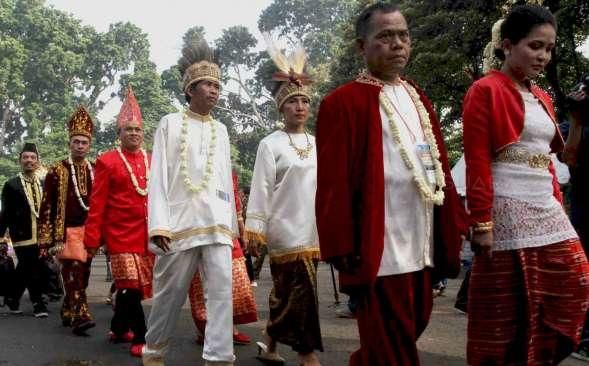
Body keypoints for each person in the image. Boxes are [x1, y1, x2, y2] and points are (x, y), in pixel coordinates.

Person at [315, 3, 467, 365]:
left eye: (403, 35)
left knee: (408, 328)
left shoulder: (418, 97)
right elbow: (332, 183)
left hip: (422, 235)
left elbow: (439, 166)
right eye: (385, 36)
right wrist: (341, 243)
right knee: (391, 347)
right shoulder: (343, 102)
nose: (397, 44)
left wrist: (454, 222)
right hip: (379, 244)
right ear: (361, 46)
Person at [463, 5, 589, 365]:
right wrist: (482, 222)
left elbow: (552, 159)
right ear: (507, 45)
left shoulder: (543, 96)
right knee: (509, 307)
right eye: (535, 46)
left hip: (546, 205)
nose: (543, 56)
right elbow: (476, 160)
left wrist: (556, 200)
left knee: (576, 282)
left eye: (549, 49)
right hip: (507, 206)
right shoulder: (484, 90)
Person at [143, 40, 238, 366]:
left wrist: (233, 227)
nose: (214, 91)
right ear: (190, 89)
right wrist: (158, 224)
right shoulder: (169, 123)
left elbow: (225, 179)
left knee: (221, 294)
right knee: (168, 296)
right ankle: (154, 353)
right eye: (208, 85)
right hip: (178, 226)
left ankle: (219, 357)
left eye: (217, 86)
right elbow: (157, 176)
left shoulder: (222, 131)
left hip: (216, 225)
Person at [245, 37, 322, 366]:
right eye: (293, 102)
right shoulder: (270, 144)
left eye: (304, 101)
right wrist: (256, 229)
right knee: (300, 292)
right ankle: (306, 355)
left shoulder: (318, 143)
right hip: (283, 228)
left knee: (285, 294)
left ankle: (270, 343)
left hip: (312, 229)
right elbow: (260, 187)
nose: (300, 107)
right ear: (282, 107)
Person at [84, 88, 154, 357]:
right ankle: (140, 336)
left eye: (137, 129)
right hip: (119, 235)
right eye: (128, 129)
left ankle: (118, 326)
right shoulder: (107, 161)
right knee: (129, 285)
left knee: (132, 287)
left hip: (146, 235)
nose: (134, 133)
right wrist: (92, 240)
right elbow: (97, 203)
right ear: (119, 133)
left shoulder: (152, 160)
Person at [38, 106, 96, 334]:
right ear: (69, 143)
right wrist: (46, 240)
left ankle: (67, 310)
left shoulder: (95, 169)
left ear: (89, 145)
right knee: (73, 273)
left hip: (88, 232)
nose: (80, 146)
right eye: (76, 142)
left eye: (84, 142)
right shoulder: (56, 170)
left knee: (85, 275)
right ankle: (81, 316)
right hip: (66, 233)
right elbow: (47, 206)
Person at [188, 171, 256, 346]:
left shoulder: (228, 171)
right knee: (201, 283)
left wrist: (243, 231)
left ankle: (230, 328)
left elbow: (234, 201)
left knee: (235, 280)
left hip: (226, 230)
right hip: (196, 229)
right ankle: (204, 329)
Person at [0, 143, 48, 317]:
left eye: (33, 158)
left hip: (41, 235)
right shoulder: (11, 184)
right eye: (25, 157)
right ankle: (37, 303)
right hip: (21, 235)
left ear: (37, 161)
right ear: (20, 160)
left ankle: (13, 298)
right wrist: (0, 236)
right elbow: (5, 212)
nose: (29, 161)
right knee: (28, 266)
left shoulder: (43, 182)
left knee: (33, 267)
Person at [562, 81, 589, 361]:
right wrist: (577, 118)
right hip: (584, 208)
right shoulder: (575, 123)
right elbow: (568, 157)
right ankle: (583, 337)